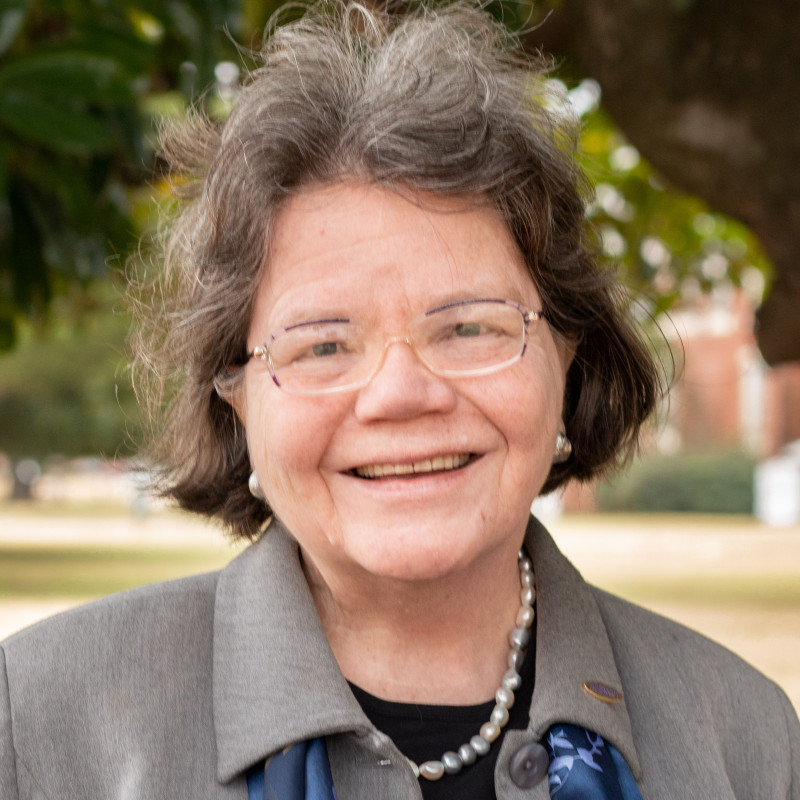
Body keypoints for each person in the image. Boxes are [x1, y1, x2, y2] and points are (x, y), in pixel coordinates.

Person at [1, 3, 798, 799]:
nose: (400, 394)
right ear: (237, 401)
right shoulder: (33, 724)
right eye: (321, 345)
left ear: (569, 360)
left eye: (469, 328)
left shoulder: (748, 738)